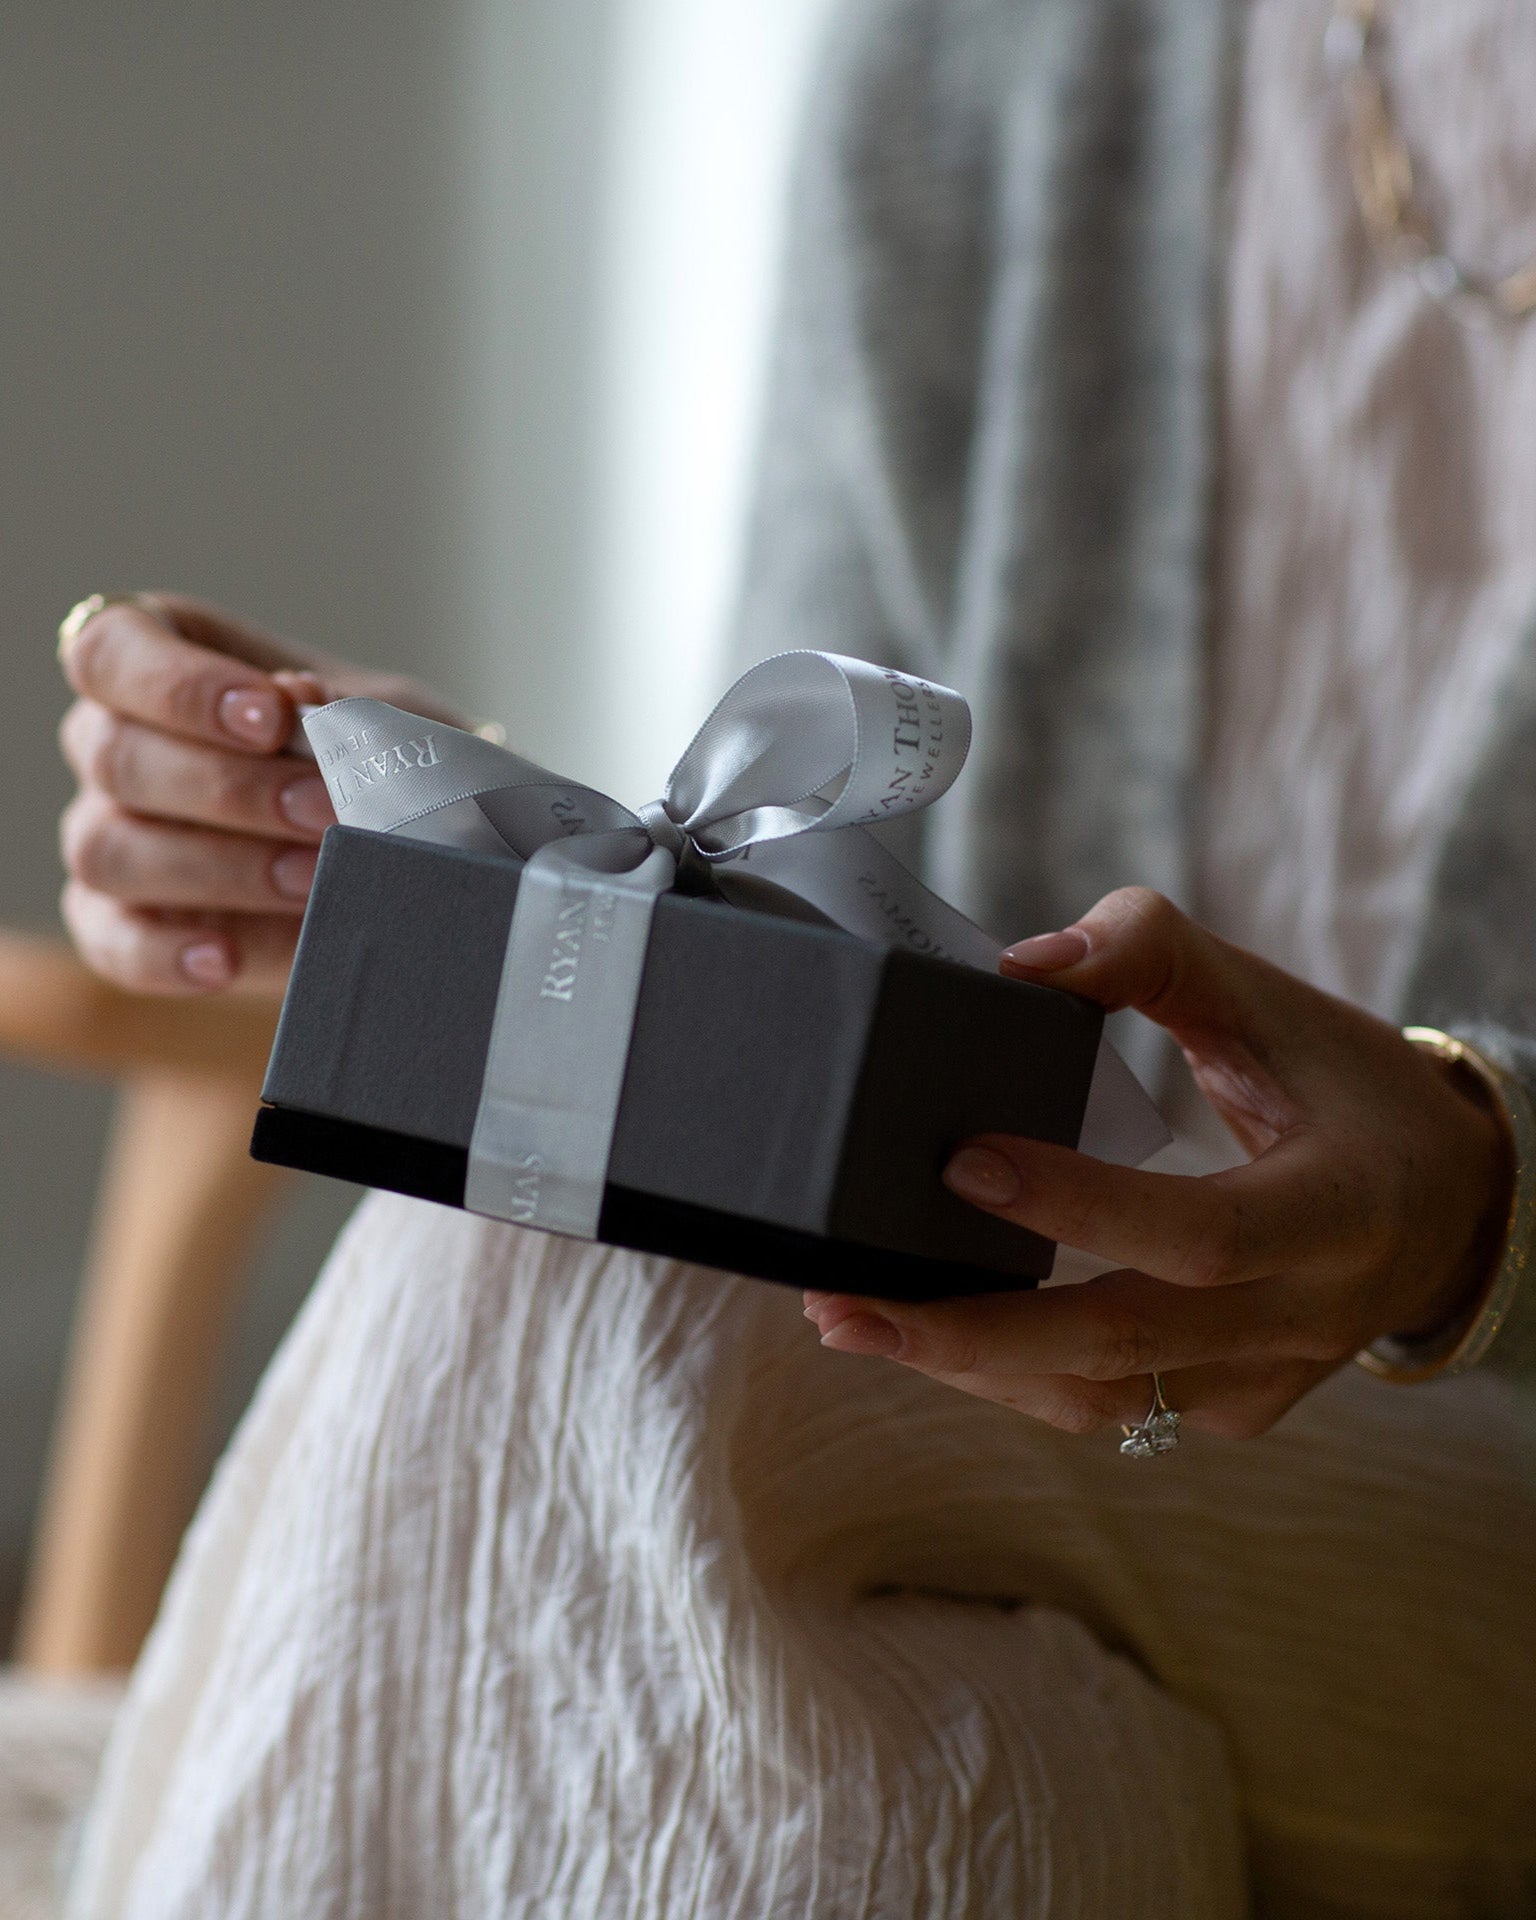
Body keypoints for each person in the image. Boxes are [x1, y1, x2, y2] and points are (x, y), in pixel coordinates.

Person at [54, 0, 1536, 1913]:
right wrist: (467, 848)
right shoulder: (976, 55)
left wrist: (1488, 1201)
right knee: (959, 1782)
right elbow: (817, 868)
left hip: (1475, 1490)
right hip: (963, 1418)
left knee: (623, 1288)